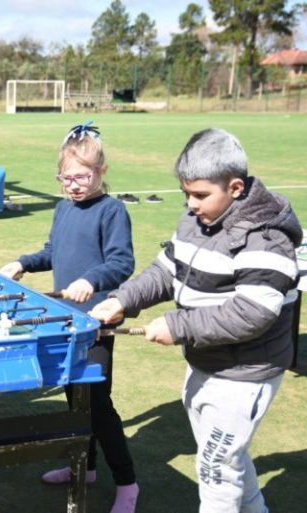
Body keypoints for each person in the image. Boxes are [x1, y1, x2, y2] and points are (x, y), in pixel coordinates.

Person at [90, 128, 301, 513]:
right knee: (224, 459)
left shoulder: (267, 238)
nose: (190, 204)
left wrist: (178, 326)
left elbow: (254, 312)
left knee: (215, 468)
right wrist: (122, 299)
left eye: (200, 195)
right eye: (186, 193)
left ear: (235, 188)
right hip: (206, 360)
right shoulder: (195, 219)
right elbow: (167, 270)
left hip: (246, 371)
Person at [0, 121, 139, 513]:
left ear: (101, 172)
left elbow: (121, 262)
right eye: (66, 178)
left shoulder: (111, 210)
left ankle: (127, 482)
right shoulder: (63, 209)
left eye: (83, 176)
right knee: (72, 397)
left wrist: (91, 280)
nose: (74, 185)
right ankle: (87, 467)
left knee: (96, 402)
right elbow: (53, 250)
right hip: (66, 323)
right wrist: (22, 262)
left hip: (98, 324)